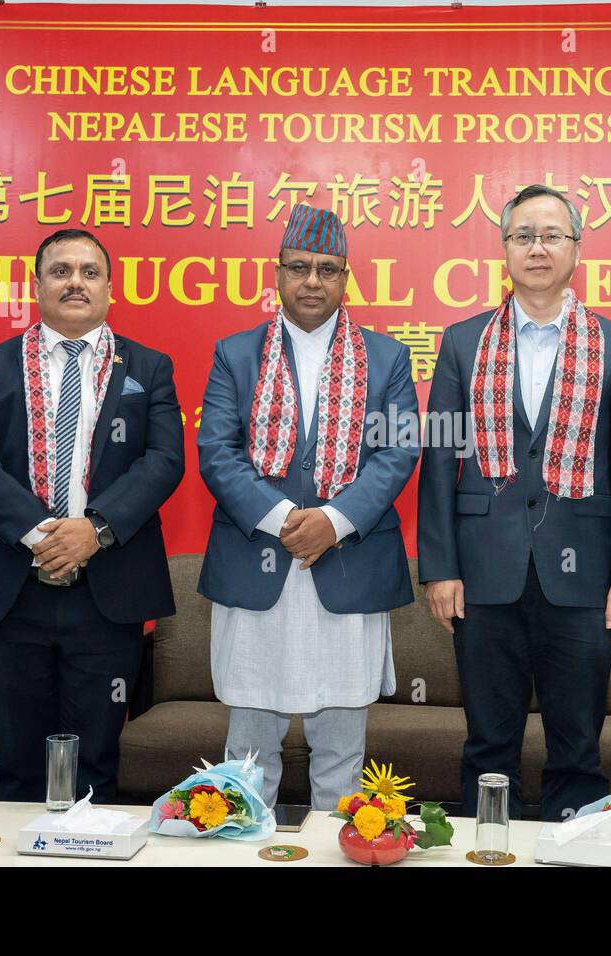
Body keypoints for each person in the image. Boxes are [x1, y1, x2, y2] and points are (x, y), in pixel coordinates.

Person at [417, 184, 611, 821]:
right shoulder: (464, 342)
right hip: (483, 577)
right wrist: (439, 567)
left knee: (577, 747)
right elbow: (439, 462)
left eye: (552, 235)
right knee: (487, 743)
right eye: (524, 236)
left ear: (577, 247)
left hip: (582, 583)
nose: (538, 248)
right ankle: (483, 854)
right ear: (505, 250)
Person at [0, 228, 184, 803]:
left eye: (89, 271)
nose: (75, 281)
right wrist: (42, 535)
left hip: (107, 591)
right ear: (36, 285)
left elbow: (164, 461)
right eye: (60, 270)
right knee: (18, 767)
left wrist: (93, 531)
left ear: (109, 288)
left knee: (95, 766)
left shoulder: (148, 367)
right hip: (10, 591)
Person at [197, 205, 418, 810]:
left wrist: (333, 522)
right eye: (299, 268)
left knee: (343, 762)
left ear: (347, 277)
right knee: (247, 758)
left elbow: (397, 452)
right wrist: (285, 521)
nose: (312, 281)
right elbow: (216, 451)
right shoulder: (235, 354)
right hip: (256, 566)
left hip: (349, 568)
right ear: (278, 273)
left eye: (328, 269)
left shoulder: (388, 357)